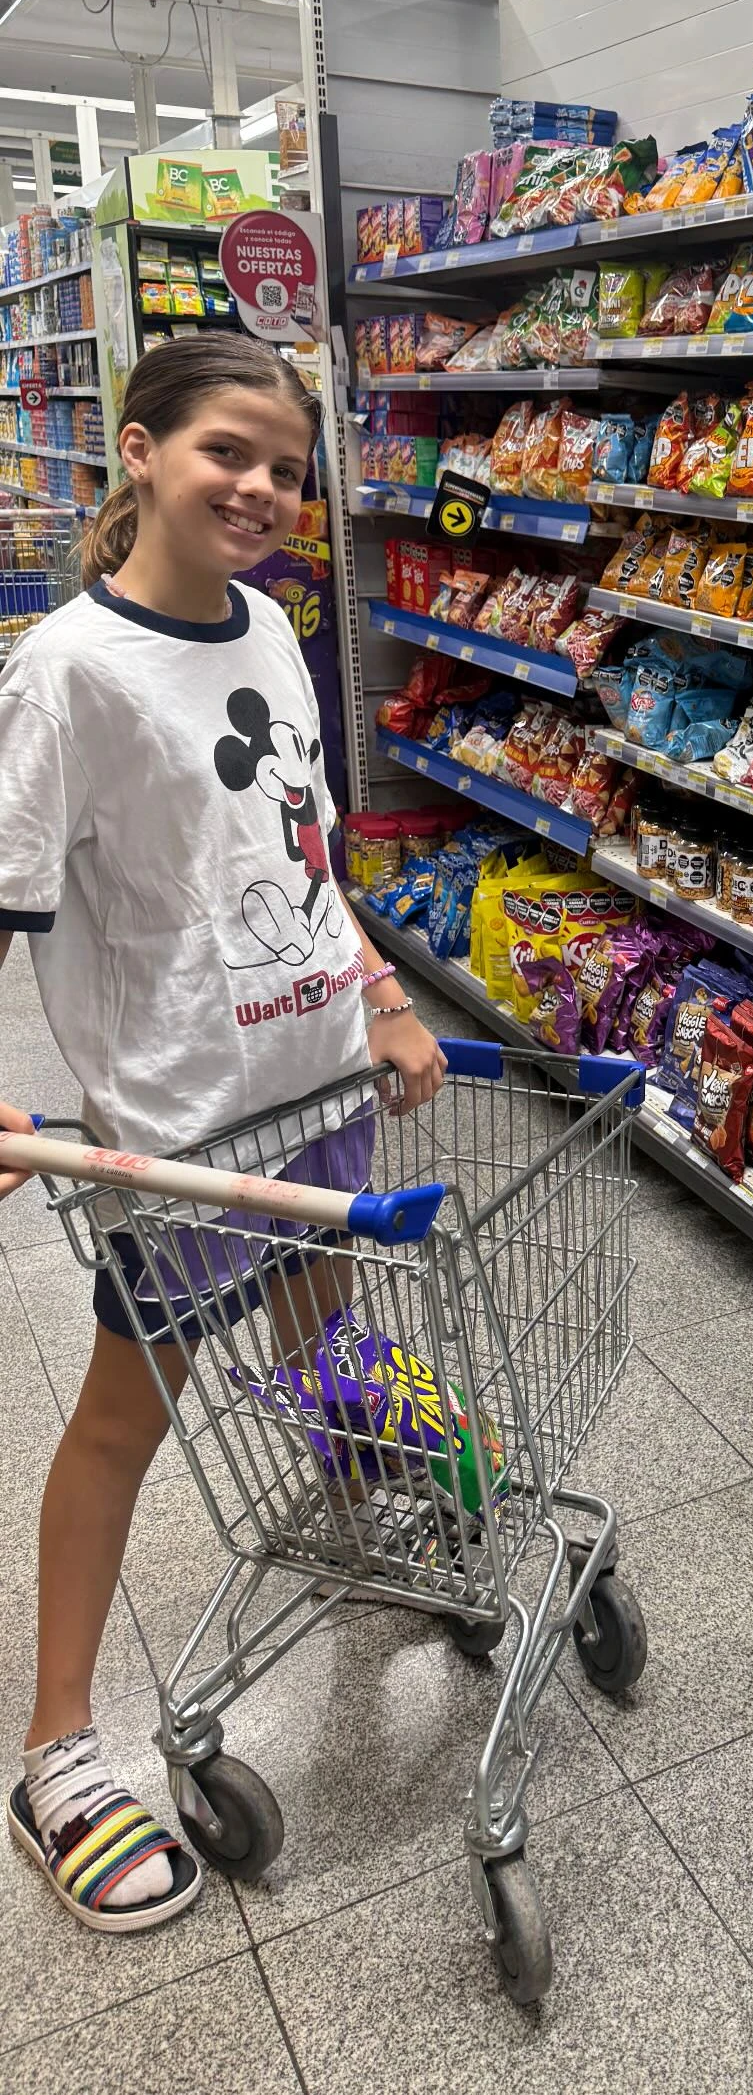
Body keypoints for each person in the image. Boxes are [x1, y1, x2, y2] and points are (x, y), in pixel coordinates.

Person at [0, 333, 447, 1928]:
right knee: (126, 1417)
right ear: (137, 451)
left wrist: (384, 994)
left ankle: (355, 1515)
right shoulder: (67, 672)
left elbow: (304, 842)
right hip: (180, 1131)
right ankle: (58, 1750)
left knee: (332, 1317)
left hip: (320, 1073)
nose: (262, 487)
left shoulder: (270, 623)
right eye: (227, 455)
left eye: (286, 465)